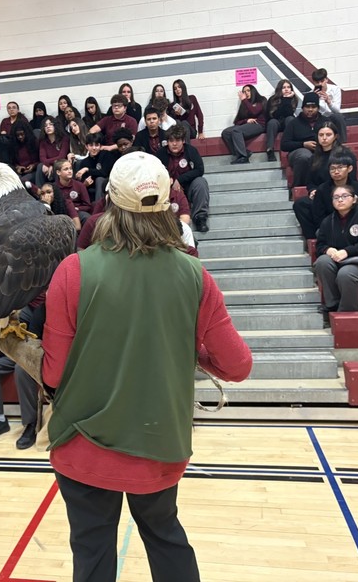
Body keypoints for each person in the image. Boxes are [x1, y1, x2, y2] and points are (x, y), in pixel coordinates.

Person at [41, 151, 252, 582]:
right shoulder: (195, 274)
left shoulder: (73, 271)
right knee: (165, 537)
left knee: (93, 551)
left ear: (109, 203)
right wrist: (190, 350)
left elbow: (53, 374)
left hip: (83, 443)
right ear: (168, 202)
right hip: (159, 444)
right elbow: (239, 366)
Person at [313, 185, 358, 326]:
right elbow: (319, 246)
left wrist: (348, 251)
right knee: (322, 262)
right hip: (338, 259)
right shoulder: (328, 221)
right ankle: (332, 305)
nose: (340, 200)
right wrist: (327, 249)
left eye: (344, 196)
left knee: (346, 274)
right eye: (336, 197)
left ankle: (346, 313)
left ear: (354, 199)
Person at [293, 150, 358, 240]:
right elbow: (318, 216)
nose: (336, 172)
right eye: (332, 169)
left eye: (340, 168)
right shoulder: (322, 189)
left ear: (349, 169)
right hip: (330, 227)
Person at [157, 125, 210, 232]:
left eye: (177, 140)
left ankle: (200, 218)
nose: (174, 144)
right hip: (169, 191)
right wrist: (169, 181)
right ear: (167, 142)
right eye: (171, 141)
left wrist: (180, 180)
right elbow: (156, 173)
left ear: (183, 141)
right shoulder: (160, 153)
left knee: (201, 182)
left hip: (188, 187)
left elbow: (200, 170)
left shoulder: (191, 150)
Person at [280, 94, 324, 186]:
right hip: (298, 153)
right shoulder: (293, 123)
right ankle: (299, 188)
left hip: (321, 151)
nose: (310, 109)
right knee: (304, 156)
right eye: (307, 107)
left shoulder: (326, 121)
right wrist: (303, 144)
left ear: (318, 108)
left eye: (313, 107)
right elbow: (284, 145)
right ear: (302, 108)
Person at [221, 84, 267, 164]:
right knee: (226, 132)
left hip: (259, 125)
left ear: (253, 91)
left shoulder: (261, 100)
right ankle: (244, 152)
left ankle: (243, 157)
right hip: (248, 125)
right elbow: (236, 122)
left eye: (248, 91)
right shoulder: (244, 104)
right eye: (244, 92)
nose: (246, 93)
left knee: (236, 131)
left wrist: (244, 100)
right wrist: (246, 120)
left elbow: (254, 111)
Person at [310, 68, 347, 142]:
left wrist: (329, 102)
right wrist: (315, 100)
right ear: (314, 82)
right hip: (319, 119)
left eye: (322, 81)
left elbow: (337, 111)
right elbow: (311, 115)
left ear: (326, 79)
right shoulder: (311, 94)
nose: (320, 84)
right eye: (317, 82)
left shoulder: (335, 89)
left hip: (332, 117)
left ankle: (343, 144)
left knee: (338, 117)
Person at [265, 79, 298, 162]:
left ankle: (292, 146)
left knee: (290, 119)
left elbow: (289, 113)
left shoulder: (293, 99)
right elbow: (275, 115)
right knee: (272, 122)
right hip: (276, 123)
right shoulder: (272, 99)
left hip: (286, 123)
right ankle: (270, 150)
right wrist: (285, 99)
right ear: (279, 89)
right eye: (284, 87)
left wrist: (287, 99)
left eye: (288, 87)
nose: (286, 89)